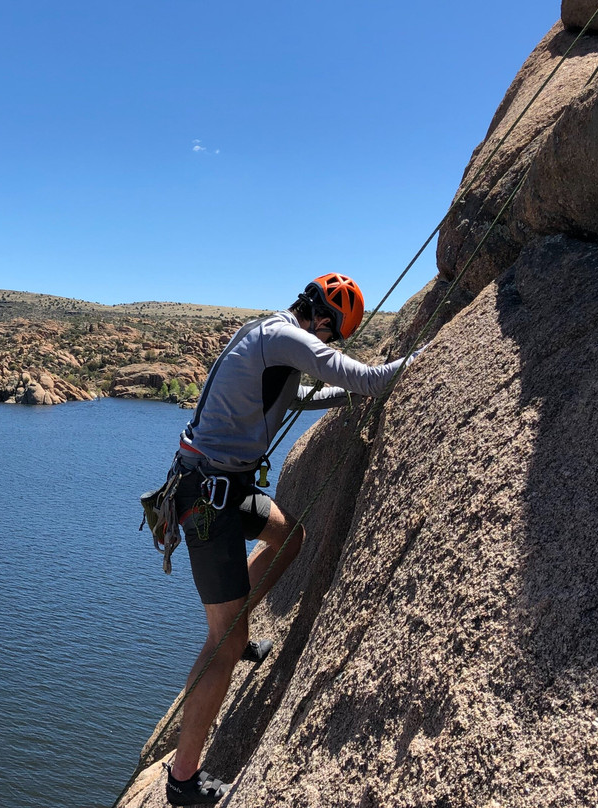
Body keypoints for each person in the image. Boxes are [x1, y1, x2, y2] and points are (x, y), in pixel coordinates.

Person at [163, 273, 421, 806]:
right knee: (222, 641)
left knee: (288, 536)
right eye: (332, 337)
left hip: (222, 485)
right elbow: (366, 378)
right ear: (323, 320)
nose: (329, 345)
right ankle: (182, 782)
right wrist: (423, 362)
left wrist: (343, 398)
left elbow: (303, 395)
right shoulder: (283, 337)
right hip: (207, 495)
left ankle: (239, 632)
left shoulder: (271, 336)